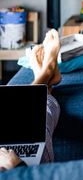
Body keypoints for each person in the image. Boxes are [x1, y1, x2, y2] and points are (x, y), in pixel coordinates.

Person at [0, 29, 61, 171]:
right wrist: (14, 166)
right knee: (37, 119)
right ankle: (45, 74)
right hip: (12, 167)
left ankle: (45, 77)